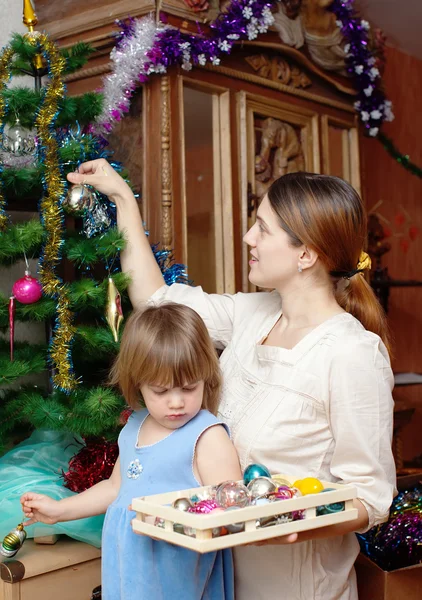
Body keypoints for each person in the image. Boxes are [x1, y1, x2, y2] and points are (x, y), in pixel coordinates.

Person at [64, 161, 396, 600]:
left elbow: (370, 498)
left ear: (306, 254)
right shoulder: (251, 314)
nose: (248, 238)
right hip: (212, 580)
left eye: (263, 228)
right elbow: (155, 300)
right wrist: (124, 198)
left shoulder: (352, 354)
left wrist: (292, 525)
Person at [21, 303, 242, 600]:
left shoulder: (206, 435)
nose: (176, 402)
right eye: (161, 391)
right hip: (131, 566)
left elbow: (232, 511)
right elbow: (116, 487)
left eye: (189, 388)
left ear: (206, 377)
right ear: (138, 384)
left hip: (178, 573)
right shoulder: (135, 426)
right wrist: (60, 510)